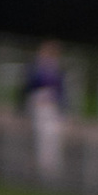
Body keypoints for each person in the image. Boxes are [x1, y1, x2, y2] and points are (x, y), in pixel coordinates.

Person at [22, 41, 68, 186]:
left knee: (52, 134)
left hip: (52, 105)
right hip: (39, 103)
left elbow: (61, 90)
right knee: (40, 134)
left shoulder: (56, 69)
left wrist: (63, 107)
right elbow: (31, 85)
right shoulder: (37, 68)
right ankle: (40, 164)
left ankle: (49, 165)